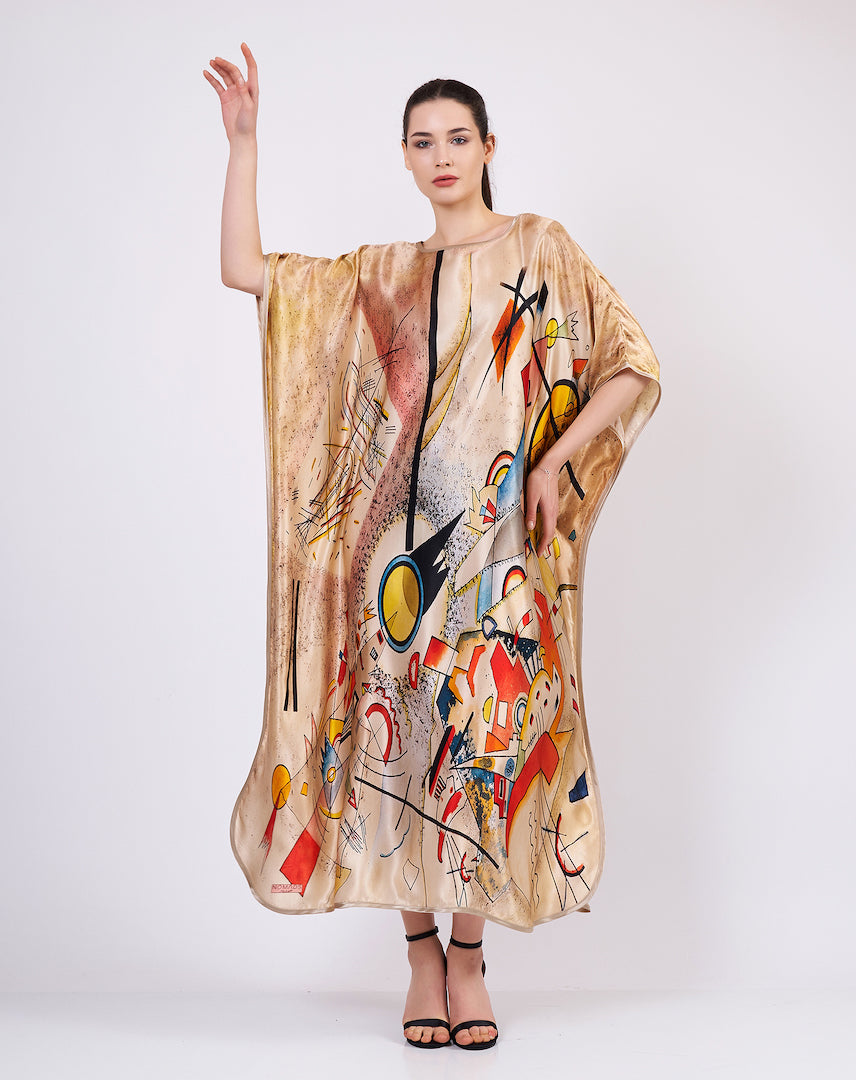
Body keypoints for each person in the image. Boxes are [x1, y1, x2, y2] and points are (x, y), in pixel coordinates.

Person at [204, 43, 662, 1050]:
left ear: (490, 147)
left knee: (479, 750)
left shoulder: (541, 249)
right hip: (389, 569)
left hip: (496, 561)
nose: (442, 155)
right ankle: (419, 954)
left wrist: (553, 460)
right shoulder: (381, 273)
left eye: (458, 137)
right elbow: (246, 272)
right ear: (405, 157)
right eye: (423, 141)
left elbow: (632, 364)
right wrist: (243, 145)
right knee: (402, 750)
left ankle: (468, 957)